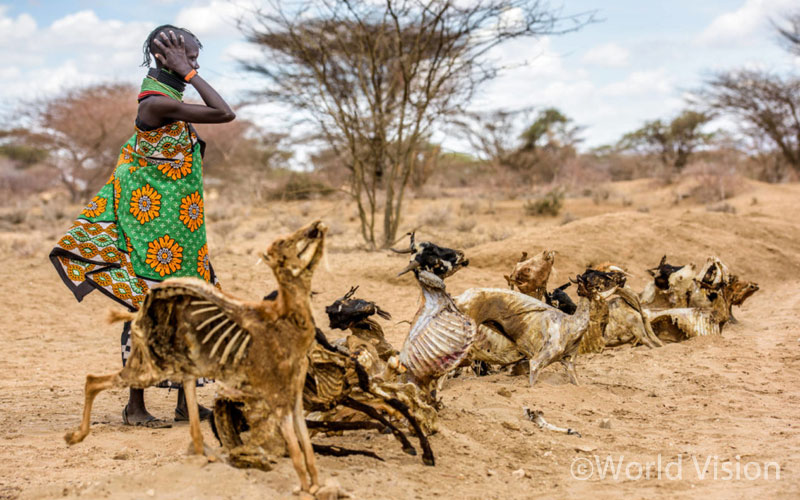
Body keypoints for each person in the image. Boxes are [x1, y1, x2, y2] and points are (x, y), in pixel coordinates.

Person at [50, 25, 235, 427]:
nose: (196, 62)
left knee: (186, 310)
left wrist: (185, 73)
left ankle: (186, 403)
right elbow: (224, 112)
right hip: (152, 234)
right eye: (190, 55)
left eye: (196, 57)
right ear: (165, 57)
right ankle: (135, 406)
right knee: (149, 314)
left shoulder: (168, 100)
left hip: (179, 232)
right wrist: (189, 73)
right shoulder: (154, 103)